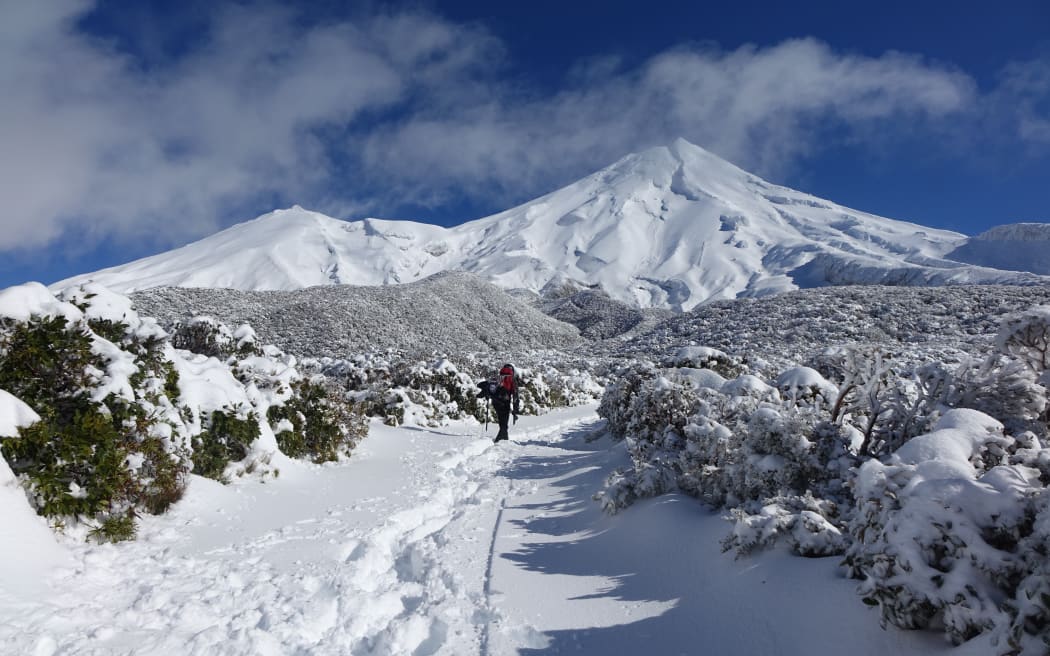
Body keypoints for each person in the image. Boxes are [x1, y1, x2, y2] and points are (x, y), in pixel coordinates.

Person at [487, 363, 520, 442]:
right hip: (505, 403)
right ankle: (500, 439)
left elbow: (489, 388)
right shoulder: (512, 379)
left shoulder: (497, 377)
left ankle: (504, 437)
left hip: (495, 402)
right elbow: (515, 394)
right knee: (504, 421)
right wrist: (515, 409)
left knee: (501, 420)